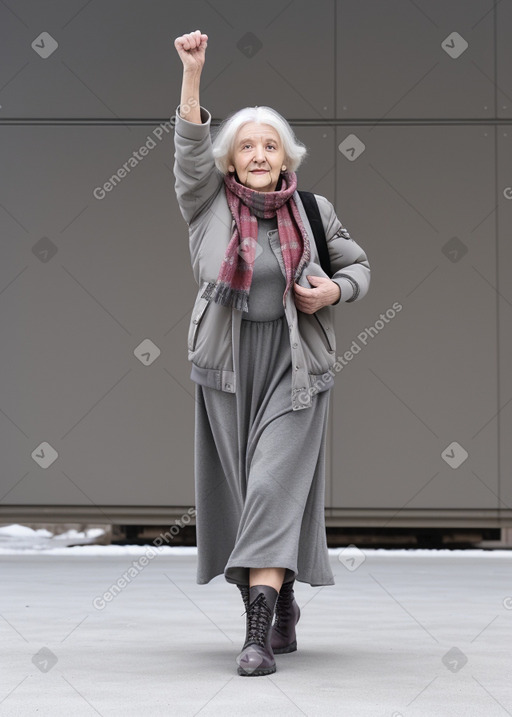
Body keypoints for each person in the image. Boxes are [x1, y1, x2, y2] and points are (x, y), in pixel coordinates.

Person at [172, 30, 370, 677]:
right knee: (240, 496)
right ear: (231, 161)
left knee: (271, 487)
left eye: (270, 145)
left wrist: (334, 289)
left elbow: (358, 266)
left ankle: (255, 634)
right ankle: (279, 596)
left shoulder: (314, 211)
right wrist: (194, 73)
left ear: (287, 158)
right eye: (247, 145)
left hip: (296, 366)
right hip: (226, 367)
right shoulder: (207, 204)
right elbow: (189, 145)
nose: (259, 154)